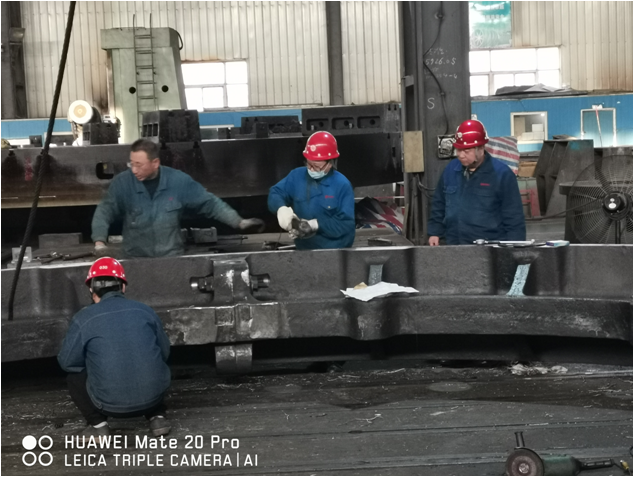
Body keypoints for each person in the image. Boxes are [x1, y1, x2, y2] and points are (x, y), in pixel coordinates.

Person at [58, 257, 171, 441]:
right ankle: (157, 417)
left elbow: (67, 362)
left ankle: (98, 426)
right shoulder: (145, 310)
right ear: (123, 287)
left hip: (108, 406)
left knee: (74, 376)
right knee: (152, 359)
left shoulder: (83, 318)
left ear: (91, 289)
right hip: (153, 400)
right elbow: (165, 353)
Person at [92, 139, 264, 258]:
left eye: (139, 165)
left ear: (155, 163)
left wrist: (238, 222)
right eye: (131, 164)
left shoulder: (178, 181)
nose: (134, 170)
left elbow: (209, 203)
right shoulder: (122, 183)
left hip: (171, 260)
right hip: (135, 260)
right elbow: (105, 210)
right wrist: (99, 242)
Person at [427, 119, 526, 245]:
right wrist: (435, 232)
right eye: (458, 150)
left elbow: (514, 217)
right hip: (455, 244)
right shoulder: (451, 170)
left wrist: (514, 248)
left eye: (466, 151)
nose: (461, 155)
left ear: (481, 148)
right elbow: (439, 203)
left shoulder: (502, 174)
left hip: (488, 247)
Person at [268, 131, 355, 250]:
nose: (311, 169)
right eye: (308, 164)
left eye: (316, 166)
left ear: (330, 163)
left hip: (335, 252)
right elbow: (275, 193)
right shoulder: (296, 176)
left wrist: (315, 225)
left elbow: (345, 224)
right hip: (304, 251)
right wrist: (282, 210)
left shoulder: (342, 185)